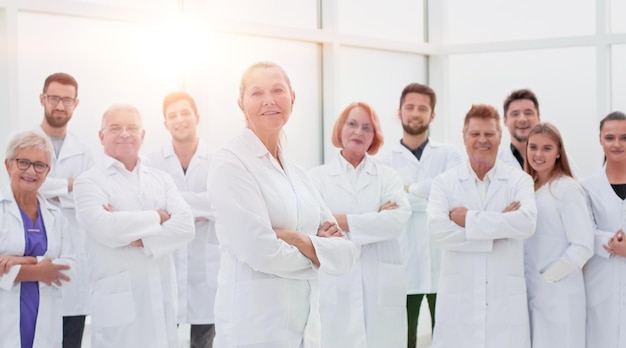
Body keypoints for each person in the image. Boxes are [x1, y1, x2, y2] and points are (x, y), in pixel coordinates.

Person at [206, 61, 358, 348]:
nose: (269, 101)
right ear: (241, 103)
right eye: (256, 93)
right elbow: (261, 251)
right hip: (255, 328)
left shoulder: (298, 175)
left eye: (278, 90)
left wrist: (298, 239)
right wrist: (318, 253)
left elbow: (346, 254)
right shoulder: (230, 162)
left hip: (304, 327)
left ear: (292, 98)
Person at [73, 104, 195, 348]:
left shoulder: (161, 179)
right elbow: (106, 228)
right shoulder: (88, 181)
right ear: (101, 135)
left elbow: (185, 227)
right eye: (115, 128)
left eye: (131, 128)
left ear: (143, 134)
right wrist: (158, 216)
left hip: (161, 300)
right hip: (118, 306)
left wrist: (139, 238)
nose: (124, 134)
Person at [428, 104, 537, 348]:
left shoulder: (520, 179)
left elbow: (527, 223)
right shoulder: (444, 183)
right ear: (464, 137)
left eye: (489, 134)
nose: (482, 140)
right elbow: (438, 233)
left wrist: (469, 220)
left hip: (504, 305)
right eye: (475, 134)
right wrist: (500, 226)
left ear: (500, 136)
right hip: (459, 302)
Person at [309, 101, 411, 348]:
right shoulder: (316, 178)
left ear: (374, 136)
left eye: (367, 127)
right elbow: (315, 227)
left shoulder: (388, 176)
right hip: (336, 282)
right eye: (352, 124)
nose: (358, 132)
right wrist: (373, 218)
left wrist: (339, 220)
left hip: (379, 285)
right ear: (340, 130)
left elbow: (396, 222)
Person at [376, 83, 462, 348]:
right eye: (410, 107)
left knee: (448, 336)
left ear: (432, 115)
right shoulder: (383, 160)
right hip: (403, 260)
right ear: (399, 113)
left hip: (444, 260)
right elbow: (385, 205)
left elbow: (454, 194)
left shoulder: (450, 154)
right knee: (404, 338)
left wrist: (407, 191)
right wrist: (435, 198)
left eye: (423, 108)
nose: (416, 113)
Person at [144, 91, 218, 348]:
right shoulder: (151, 161)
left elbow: (221, 203)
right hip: (168, 261)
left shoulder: (218, 160)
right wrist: (199, 207)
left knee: (204, 339)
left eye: (185, 112)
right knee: (161, 336)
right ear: (165, 124)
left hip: (207, 264)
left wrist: (174, 210)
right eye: (172, 115)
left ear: (197, 117)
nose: (180, 120)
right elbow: (151, 204)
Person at [0, 131, 77, 348]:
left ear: (47, 171)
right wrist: (40, 270)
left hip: (45, 322)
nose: (31, 171)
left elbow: (72, 269)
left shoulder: (56, 216)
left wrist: (27, 261)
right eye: (23, 162)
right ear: (8, 165)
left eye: (39, 165)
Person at [36, 72, 94, 348]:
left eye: (66, 100)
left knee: (72, 340)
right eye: (54, 98)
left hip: (73, 258)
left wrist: (50, 189)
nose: (60, 106)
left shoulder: (85, 152)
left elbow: (92, 195)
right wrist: (70, 186)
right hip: (34, 255)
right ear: (42, 99)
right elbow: (20, 186)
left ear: (75, 104)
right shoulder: (25, 142)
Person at [523, 122, 593, 348]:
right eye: (533, 147)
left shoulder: (566, 189)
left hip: (559, 293)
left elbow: (583, 246)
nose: (538, 154)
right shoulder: (527, 189)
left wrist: (549, 279)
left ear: (558, 152)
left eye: (546, 148)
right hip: (532, 291)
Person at [580, 111, 626, 348]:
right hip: (600, 283)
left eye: (624, 137)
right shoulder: (586, 187)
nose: (617, 144)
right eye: (610, 137)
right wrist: (611, 242)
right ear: (600, 140)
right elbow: (581, 231)